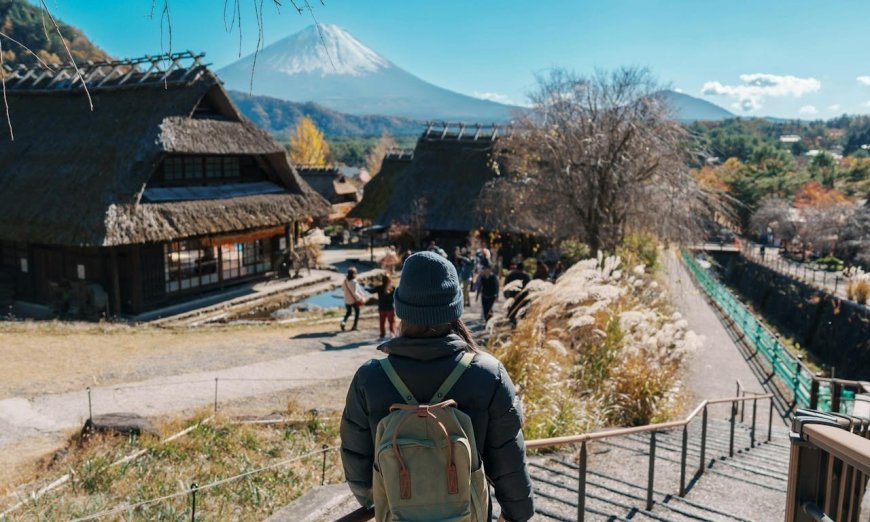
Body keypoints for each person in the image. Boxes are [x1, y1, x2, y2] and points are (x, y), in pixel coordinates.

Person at [340, 252, 534, 522]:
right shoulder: (488, 374)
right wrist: (514, 515)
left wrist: (397, 498)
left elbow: (357, 467)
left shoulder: (369, 378)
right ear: (455, 308)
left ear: (401, 308)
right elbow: (511, 465)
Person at [341, 267, 369, 331]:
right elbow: (355, 293)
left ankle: (343, 322)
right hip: (353, 300)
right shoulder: (354, 282)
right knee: (357, 312)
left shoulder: (345, 281)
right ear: (354, 274)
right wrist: (361, 299)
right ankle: (354, 326)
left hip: (346, 299)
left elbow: (343, 289)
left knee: (348, 312)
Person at [374, 273, 396, 339]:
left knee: (382, 322)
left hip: (382, 308)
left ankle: (382, 334)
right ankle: (392, 333)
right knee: (391, 322)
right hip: (390, 308)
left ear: (382, 280)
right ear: (389, 280)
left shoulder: (378, 288)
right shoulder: (393, 288)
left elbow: (370, 291)